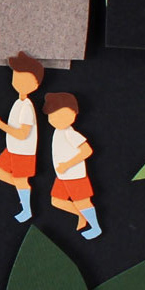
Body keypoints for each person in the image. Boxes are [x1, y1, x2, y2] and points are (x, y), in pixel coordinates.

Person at [0, 52, 43, 222]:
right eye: (17, 76)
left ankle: (26, 208)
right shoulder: (19, 102)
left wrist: (0, 125)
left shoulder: (27, 107)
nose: (18, 81)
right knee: (0, 172)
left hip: (23, 152)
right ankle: (24, 190)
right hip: (13, 149)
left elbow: (22, 134)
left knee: (20, 180)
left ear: (35, 84)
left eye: (24, 78)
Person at [45, 92, 101, 240]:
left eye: (62, 115)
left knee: (83, 202)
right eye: (53, 115)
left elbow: (87, 150)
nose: (56, 119)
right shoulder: (58, 132)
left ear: (73, 114)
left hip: (75, 176)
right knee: (56, 201)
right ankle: (81, 215)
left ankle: (95, 227)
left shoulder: (70, 133)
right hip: (62, 176)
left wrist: (67, 165)